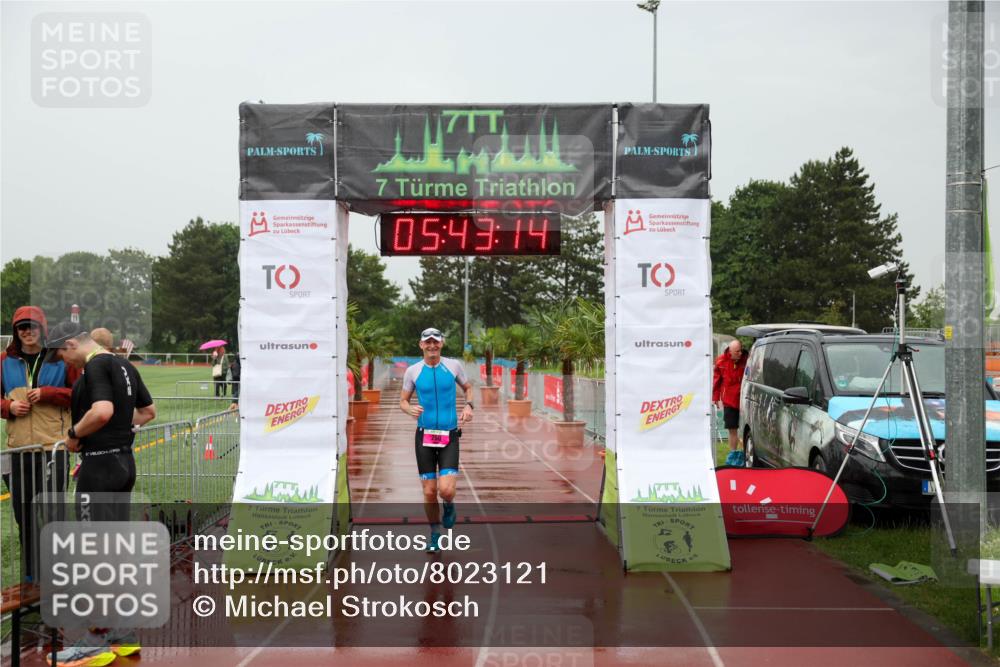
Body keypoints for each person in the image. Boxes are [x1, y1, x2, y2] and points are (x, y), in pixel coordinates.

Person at [44, 321, 157, 666]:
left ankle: (92, 646)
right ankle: (122, 635)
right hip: (123, 464)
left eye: (62, 354)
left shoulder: (95, 365)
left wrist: (73, 435)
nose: (65, 362)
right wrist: (121, 426)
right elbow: (148, 412)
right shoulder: (123, 364)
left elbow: (103, 411)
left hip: (99, 468)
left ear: (70, 344)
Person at [0, 306, 80, 581]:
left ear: (43, 329)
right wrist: (8, 406)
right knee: (24, 517)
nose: (27, 331)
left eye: (32, 326)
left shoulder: (62, 359)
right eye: (22, 327)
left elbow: (79, 395)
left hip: (53, 449)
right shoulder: (3, 360)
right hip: (19, 450)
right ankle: (32, 575)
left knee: (53, 515)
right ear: (15, 331)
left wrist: (50, 393)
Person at [399, 327, 473, 553]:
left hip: (449, 435)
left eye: (436, 342)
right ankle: (434, 534)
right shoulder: (413, 371)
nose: (432, 345)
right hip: (424, 437)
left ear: (442, 343)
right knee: (430, 492)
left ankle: (449, 506)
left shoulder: (453, 366)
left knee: (446, 491)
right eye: (427, 342)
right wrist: (409, 409)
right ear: (421, 345)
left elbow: (468, 388)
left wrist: (469, 405)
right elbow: (403, 400)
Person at [713, 339, 749, 467]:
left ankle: (748, 455)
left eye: (740, 350)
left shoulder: (747, 359)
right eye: (737, 351)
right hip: (729, 401)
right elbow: (717, 381)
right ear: (730, 351)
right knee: (732, 429)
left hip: (745, 400)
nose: (740, 353)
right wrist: (715, 397)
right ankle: (733, 455)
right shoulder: (721, 361)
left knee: (747, 429)